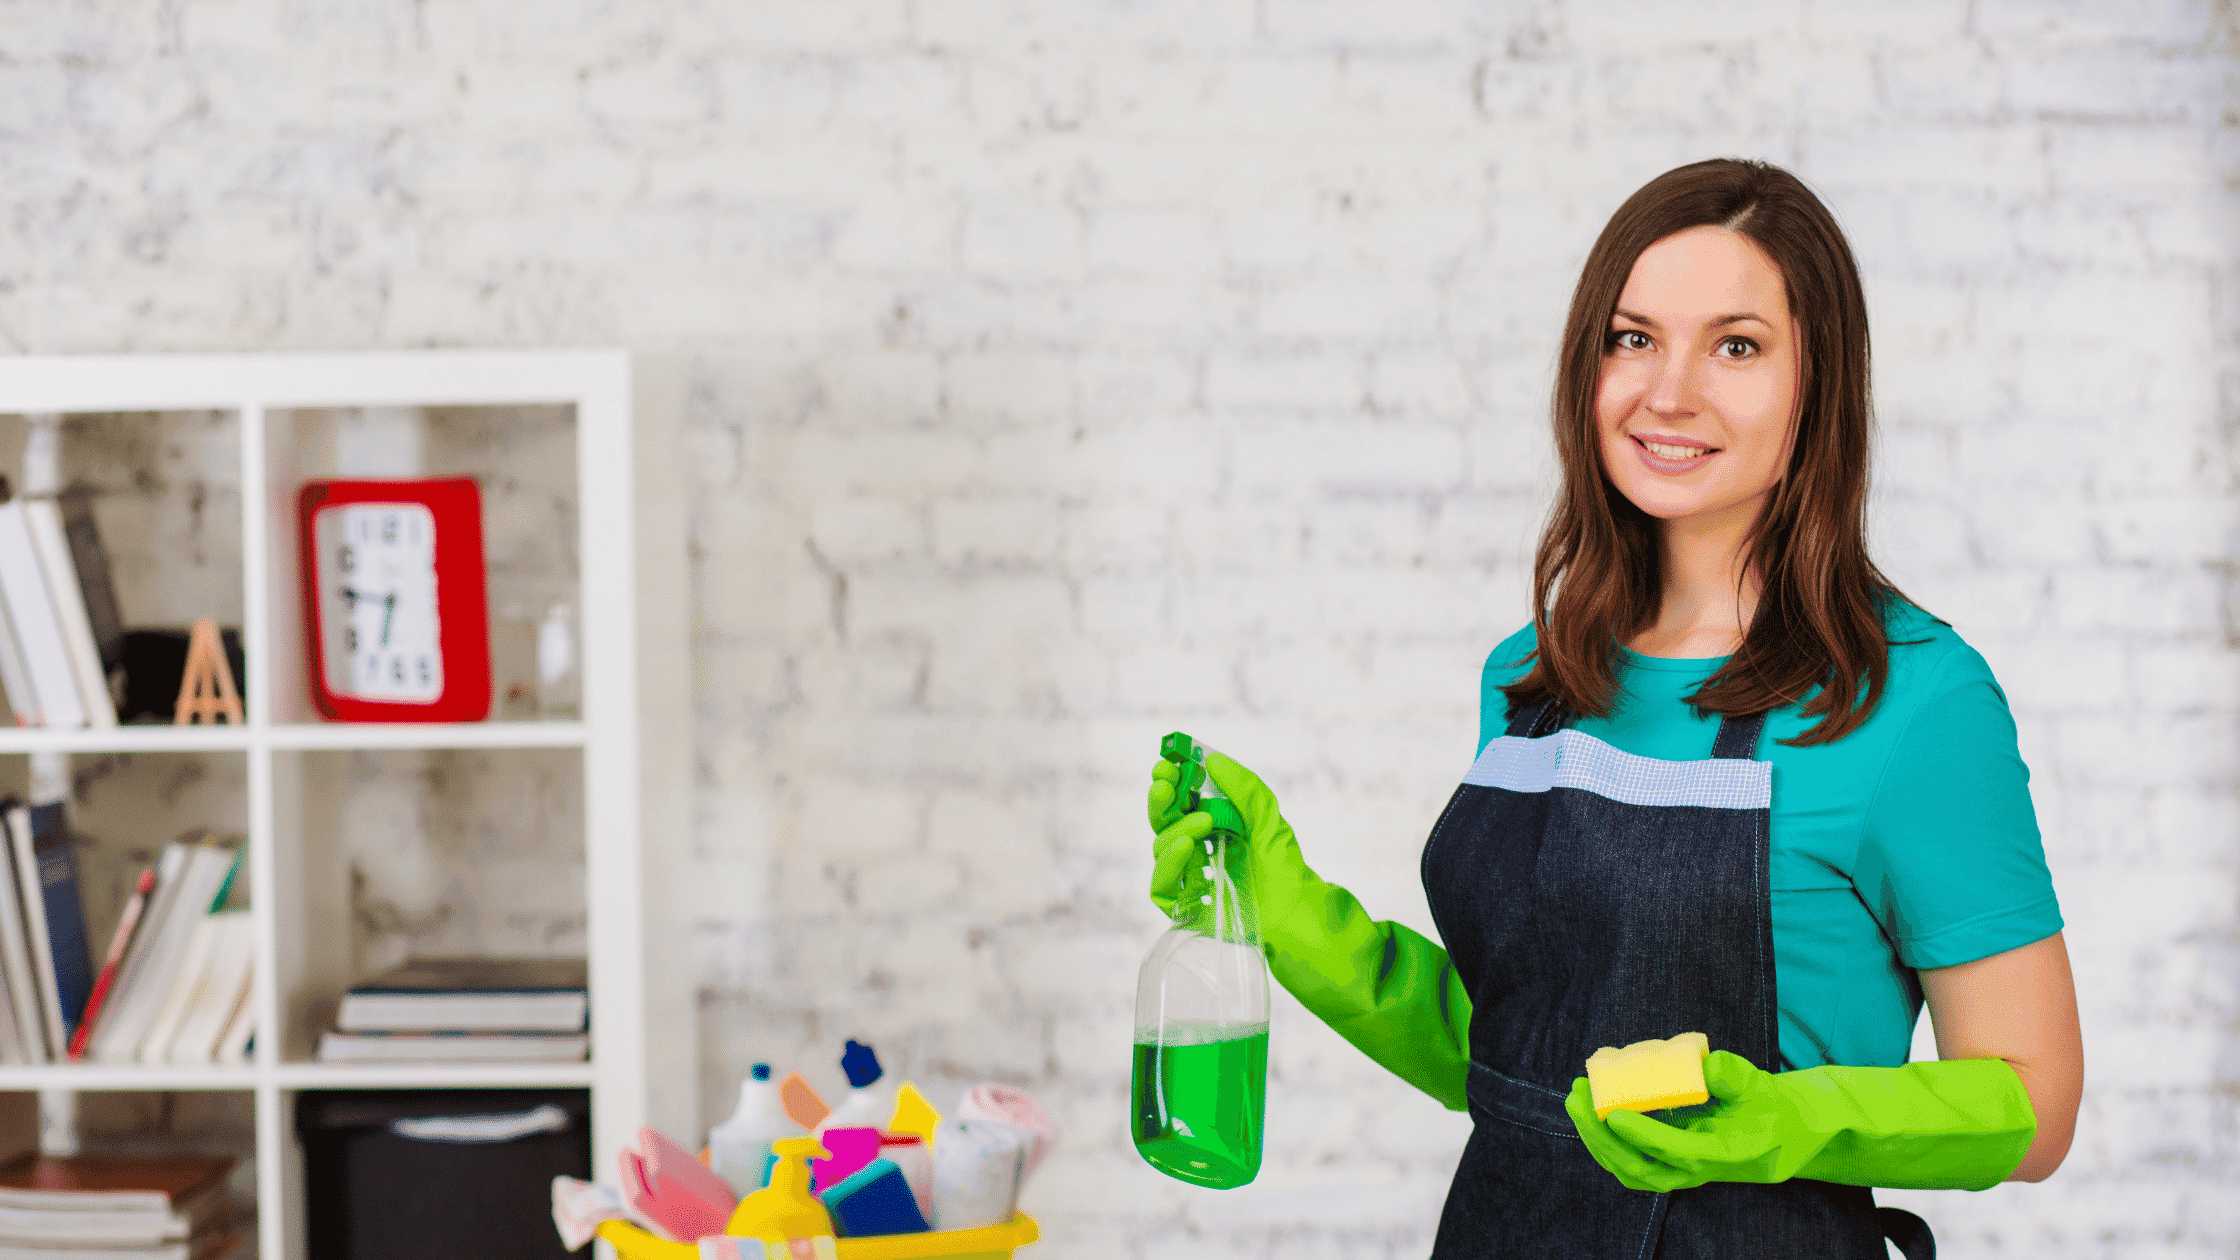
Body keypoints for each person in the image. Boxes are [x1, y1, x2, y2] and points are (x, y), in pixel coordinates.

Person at [1144, 157, 2083, 1258]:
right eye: (1632, 338)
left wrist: (1787, 1122)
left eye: (1736, 346)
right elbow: (1513, 1061)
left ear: (1817, 384)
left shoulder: (1910, 696)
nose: (1667, 392)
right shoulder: (1537, 677)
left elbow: (2034, 1105)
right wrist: (1287, 911)